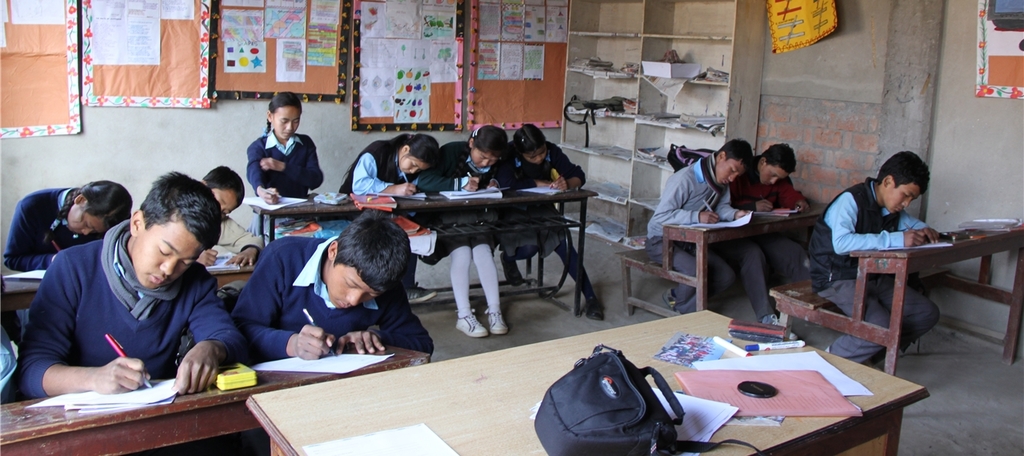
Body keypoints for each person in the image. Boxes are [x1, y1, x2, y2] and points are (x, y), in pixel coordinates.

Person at [17, 172, 248, 400]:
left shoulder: (195, 281)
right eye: (164, 251)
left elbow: (229, 337)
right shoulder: (73, 268)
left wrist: (211, 348)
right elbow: (32, 371)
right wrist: (93, 379)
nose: (168, 269)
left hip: (158, 412)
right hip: (79, 418)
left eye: (185, 262)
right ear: (137, 223)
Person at [231, 211, 433, 362]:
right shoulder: (282, 258)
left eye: (370, 294)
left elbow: (422, 344)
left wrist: (377, 338)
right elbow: (238, 331)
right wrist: (291, 344)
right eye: (350, 284)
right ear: (333, 251)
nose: (354, 300)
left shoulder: (384, 280)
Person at [808, 151, 940, 364]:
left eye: (912, 199)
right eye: (906, 195)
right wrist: (896, 238)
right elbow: (841, 243)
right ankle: (823, 364)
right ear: (888, 182)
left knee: (926, 313)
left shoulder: (891, 210)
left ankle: (868, 359)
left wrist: (925, 230)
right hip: (836, 278)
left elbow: (913, 225)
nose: (906, 203)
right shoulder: (851, 201)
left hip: (871, 276)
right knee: (878, 326)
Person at [647, 139, 779, 322]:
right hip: (661, 241)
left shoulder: (721, 182)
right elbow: (661, 216)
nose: (732, 178)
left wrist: (735, 214)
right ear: (721, 156)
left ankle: (679, 298)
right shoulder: (685, 179)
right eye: (732, 170)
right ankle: (684, 314)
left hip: (690, 240)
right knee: (695, 270)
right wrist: (697, 216)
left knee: (725, 276)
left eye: (737, 175)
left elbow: (721, 207)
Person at [494, 124, 604, 320]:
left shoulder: (552, 151)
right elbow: (505, 183)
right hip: (513, 209)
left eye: (542, 153)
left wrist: (567, 184)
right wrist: (536, 183)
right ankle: (508, 259)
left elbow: (578, 175)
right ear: (520, 151)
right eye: (532, 157)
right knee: (529, 248)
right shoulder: (509, 153)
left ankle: (590, 297)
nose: (539, 159)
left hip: (542, 207)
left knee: (565, 244)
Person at [417, 126, 508, 338]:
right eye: (482, 157)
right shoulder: (451, 152)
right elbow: (425, 181)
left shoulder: (498, 161)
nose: (485, 163)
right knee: (463, 255)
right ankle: (464, 315)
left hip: (479, 216)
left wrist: (495, 183)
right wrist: (459, 184)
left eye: (492, 160)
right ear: (471, 144)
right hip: (450, 218)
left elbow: (508, 176)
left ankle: (495, 310)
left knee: (484, 253)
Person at [339, 134, 441, 304]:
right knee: (383, 239)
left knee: (412, 232)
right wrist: (393, 189)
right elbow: (359, 185)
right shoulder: (377, 152)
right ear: (406, 149)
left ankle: (406, 287)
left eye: (418, 169)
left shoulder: (410, 168)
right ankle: (378, 290)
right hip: (357, 213)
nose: (413, 171)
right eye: (413, 164)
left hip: (389, 214)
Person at [728, 143, 812, 315]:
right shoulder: (739, 173)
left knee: (795, 253)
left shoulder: (779, 180)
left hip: (762, 232)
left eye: (779, 178)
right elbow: (726, 205)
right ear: (763, 162)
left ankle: (810, 308)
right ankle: (766, 315)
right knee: (753, 255)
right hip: (734, 234)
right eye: (773, 174)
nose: (774, 181)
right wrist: (752, 206)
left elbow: (789, 194)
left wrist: (799, 201)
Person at [4, 181, 132, 272]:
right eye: (86, 224)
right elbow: (13, 260)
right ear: (80, 200)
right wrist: (52, 260)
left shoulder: (117, 222)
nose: (86, 232)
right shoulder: (32, 207)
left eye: (94, 231)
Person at [246, 92, 324, 205]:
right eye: (284, 121)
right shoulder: (259, 147)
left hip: (299, 211)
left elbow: (315, 179)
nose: (290, 127)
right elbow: (253, 171)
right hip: (270, 211)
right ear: (270, 116)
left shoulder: (305, 143)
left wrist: (282, 166)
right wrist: (261, 191)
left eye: (296, 121)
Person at [196, 166, 264, 268]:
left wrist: (250, 250)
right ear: (202, 185)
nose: (217, 213)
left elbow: (253, 240)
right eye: (218, 202)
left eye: (224, 212)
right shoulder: (174, 204)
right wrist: (193, 258)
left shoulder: (217, 222)